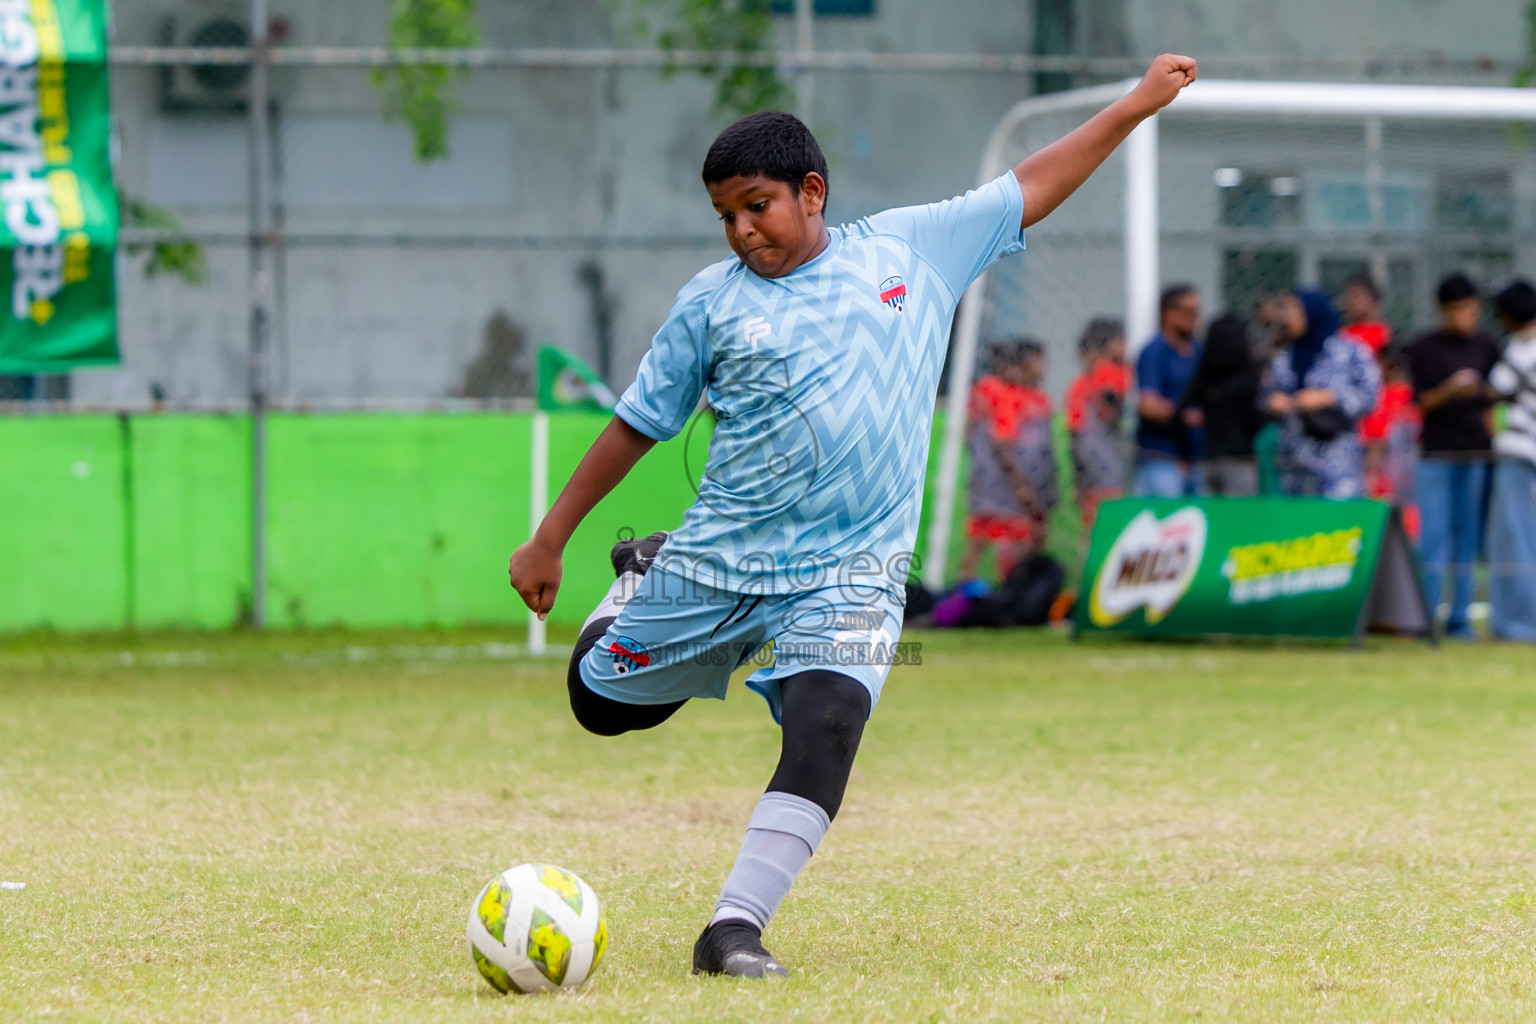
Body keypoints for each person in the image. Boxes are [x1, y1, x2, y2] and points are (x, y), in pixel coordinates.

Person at [505, 56, 1199, 978]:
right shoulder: (710, 308)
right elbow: (639, 423)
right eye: (726, 215)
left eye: (758, 205)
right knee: (600, 707)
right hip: (722, 560)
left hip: (852, 571)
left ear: (812, 190)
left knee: (828, 720)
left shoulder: (911, 253)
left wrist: (1138, 104)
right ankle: (637, 577)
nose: (743, 229)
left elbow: (1032, 183)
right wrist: (551, 537)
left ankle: (733, 929)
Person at [1408, 272, 1502, 639]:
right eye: (1455, 311)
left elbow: (1493, 402)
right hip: (1437, 454)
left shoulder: (1487, 346)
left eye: (1469, 310)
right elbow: (1421, 402)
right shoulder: (1425, 348)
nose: (1463, 318)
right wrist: (1449, 390)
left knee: (1468, 537)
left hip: (1476, 452)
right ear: (1442, 311)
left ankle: (1460, 619)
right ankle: (1426, 616)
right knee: (1434, 536)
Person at [1262, 290, 1381, 498]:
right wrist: (1273, 402)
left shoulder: (1349, 351)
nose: (1286, 317)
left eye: (1292, 310)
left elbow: (1371, 396)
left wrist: (1329, 397)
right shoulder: (1284, 357)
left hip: (1336, 468)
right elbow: (1268, 395)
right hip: (1295, 467)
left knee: (1337, 528)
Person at [961, 339, 1057, 582]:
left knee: (981, 538)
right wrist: (1020, 485)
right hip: (1004, 483)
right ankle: (1010, 590)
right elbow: (1001, 441)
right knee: (1010, 537)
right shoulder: (1004, 394)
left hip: (985, 479)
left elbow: (969, 433)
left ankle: (964, 588)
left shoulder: (981, 390)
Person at [1487, 279, 1536, 642]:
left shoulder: (1519, 350)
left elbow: (1493, 395)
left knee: (1514, 538)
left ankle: (1521, 624)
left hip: (1519, 453)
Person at [1179, 313, 1263, 496]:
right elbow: (1255, 420)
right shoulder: (1248, 379)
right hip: (1239, 459)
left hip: (1206, 457)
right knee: (1238, 517)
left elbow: (1182, 412)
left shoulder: (1203, 378)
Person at [1133, 285, 1204, 496]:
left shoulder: (1199, 351)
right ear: (1169, 314)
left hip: (1198, 458)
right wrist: (1186, 416)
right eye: (1189, 312)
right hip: (1162, 458)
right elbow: (1148, 405)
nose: (1195, 318)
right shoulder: (1154, 353)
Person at [1064, 317, 1129, 533]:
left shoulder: (1122, 374)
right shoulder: (1082, 386)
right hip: (1101, 474)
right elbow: (1075, 435)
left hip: (1120, 468)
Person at [1359, 343, 1422, 539]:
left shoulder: (1381, 398)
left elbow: (1375, 442)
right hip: (1412, 479)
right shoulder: (1416, 397)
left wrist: (1369, 474)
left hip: (1387, 481)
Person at [1339, 272, 1392, 355]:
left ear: (1373, 300)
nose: (1349, 301)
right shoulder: (1341, 332)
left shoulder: (1381, 334)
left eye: (1355, 296)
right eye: (1347, 296)